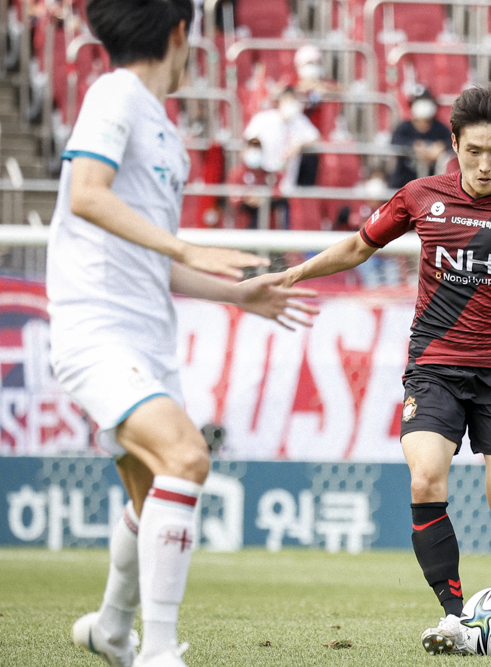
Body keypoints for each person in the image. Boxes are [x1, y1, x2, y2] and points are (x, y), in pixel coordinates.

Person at [248, 84, 491, 655]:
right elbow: (358, 247)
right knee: (426, 478)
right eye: (473, 151)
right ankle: (454, 616)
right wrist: (293, 274)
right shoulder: (421, 196)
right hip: (433, 368)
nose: (484, 164)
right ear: (453, 143)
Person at [54, 1, 318, 665]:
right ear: (180, 33)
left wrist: (238, 294)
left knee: (153, 493)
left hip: (149, 337)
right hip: (97, 329)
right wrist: (184, 245)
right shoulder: (115, 93)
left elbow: (151, 257)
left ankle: (112, 628)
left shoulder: (161, 127)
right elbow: (87, 193)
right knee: (187, 456)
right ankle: (160, 651)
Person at [388, 86, 451, 188]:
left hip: (433, 185)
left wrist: (441, 147)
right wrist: (414, 146)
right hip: (404, 183)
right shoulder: (404, 127)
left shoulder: (440, 128)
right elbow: (394, 142)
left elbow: (453, 142)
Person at [225, 137, 278, 229]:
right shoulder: (236, 174)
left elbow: (278, 195)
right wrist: (249, 199)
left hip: (267, 227)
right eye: (251, 149)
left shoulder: (270, 175)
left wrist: (263, 199)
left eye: (257, 149)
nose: (255, 152)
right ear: (243, 152)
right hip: (243, 227)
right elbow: (234, 198)